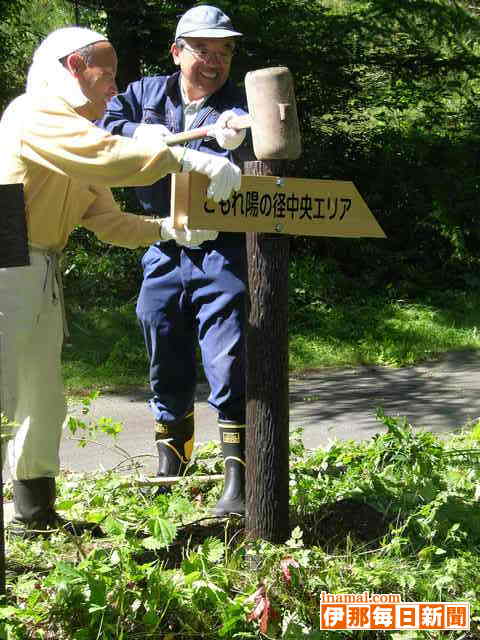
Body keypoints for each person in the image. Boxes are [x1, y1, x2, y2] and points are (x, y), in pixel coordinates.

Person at [0, 25, 241, 537]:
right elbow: (108, 160)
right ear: (71, 67)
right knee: (2, 396)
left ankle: (33, 514)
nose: (115, 86)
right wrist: (188, 156)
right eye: (105, 73)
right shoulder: (34, 113)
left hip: (39, 266)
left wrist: (171, 230)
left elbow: (104, 217)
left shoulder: (75, 132)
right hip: (5, 256)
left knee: (43, 397)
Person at [98, 5, 250, 517]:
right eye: (203, 50)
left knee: (227, 355)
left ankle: (238, 478)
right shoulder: (145, 94)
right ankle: (174, 462)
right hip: (162, 243)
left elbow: (260, 143)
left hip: (221, 246)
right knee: (160, 335)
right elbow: (106, 124)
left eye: (223, 52)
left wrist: (240, 142)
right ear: (177, 52)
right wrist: (139, 135)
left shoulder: (237, 103)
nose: (214, 61)